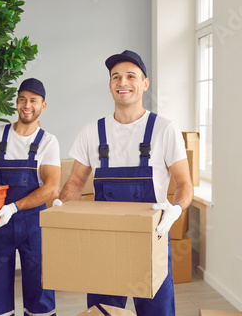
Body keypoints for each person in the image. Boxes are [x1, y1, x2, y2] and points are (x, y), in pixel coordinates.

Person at [54, 50, 193, 316]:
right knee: (102, 312)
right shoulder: (92, 132)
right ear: (109, 85)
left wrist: (175, 211)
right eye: (116, 77)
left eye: (131, 76)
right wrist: (62, 206)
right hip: (104, 244)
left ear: (145, 83)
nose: (122, 82)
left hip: (151, 240)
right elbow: (74, 182)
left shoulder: (165, 129)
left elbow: (185, 184)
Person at [0, 78, 60, 316]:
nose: (27, 105)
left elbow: (51, 189)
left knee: (40, 289)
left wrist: (14, 208)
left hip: (34, 225)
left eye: (33, 101)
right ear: (16, 102)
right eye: (22, 99)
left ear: (43, 106)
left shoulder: (48, 142)